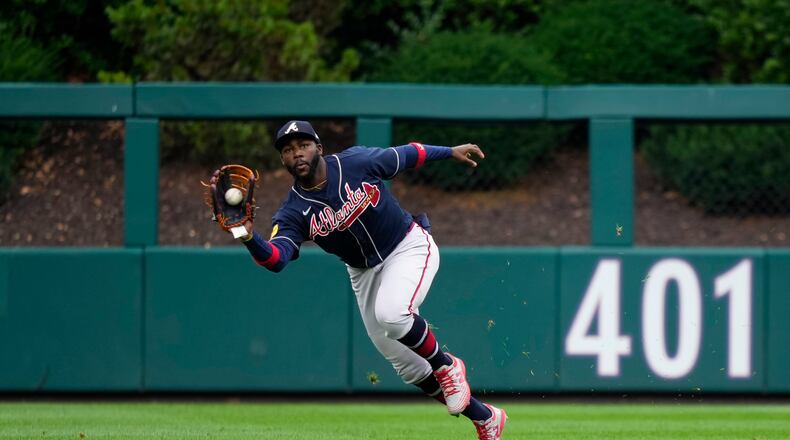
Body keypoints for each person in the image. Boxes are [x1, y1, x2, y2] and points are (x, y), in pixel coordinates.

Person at [234, 120, 507, 439]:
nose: (297, 153)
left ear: (318, 148)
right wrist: (246, 235)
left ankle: (446, 366)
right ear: (282, 160)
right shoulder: (293, 212)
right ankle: (485, 417)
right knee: (409, 367)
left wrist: (449, 152)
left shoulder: (354, 162)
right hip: (362, 272)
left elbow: (409, 154)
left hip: (407, 245)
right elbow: (277, 259)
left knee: (393, 315)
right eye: (288, 149)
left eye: (303, 145)